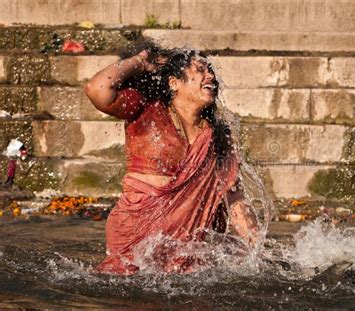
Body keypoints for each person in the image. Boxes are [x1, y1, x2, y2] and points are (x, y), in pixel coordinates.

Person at [84, 42, 259, 274]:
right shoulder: (146, 110)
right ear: (174, 83)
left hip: (187, 247)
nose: (211, 76)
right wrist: (142, 61)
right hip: (136, 239)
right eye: (200, 70)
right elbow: (97, 89)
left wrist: (257, 246)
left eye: (211, 71)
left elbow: (232, 195)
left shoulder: (218, 132)